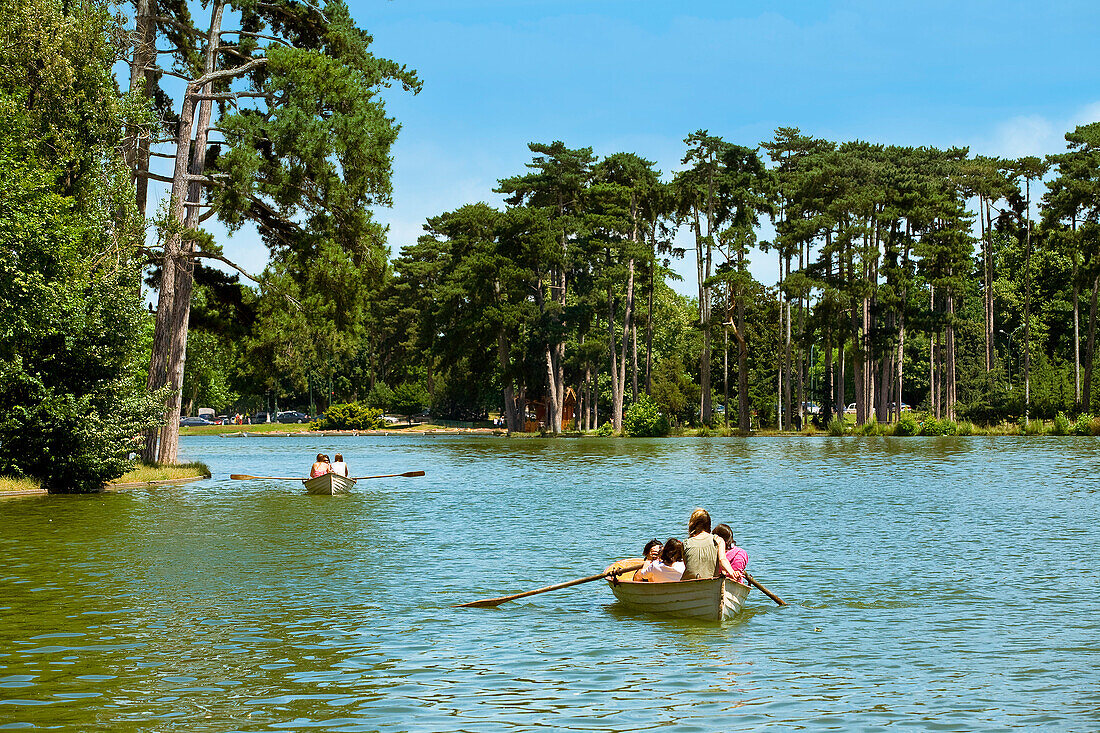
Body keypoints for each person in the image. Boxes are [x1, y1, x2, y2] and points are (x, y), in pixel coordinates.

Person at [681, 508, 739, 580]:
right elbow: (722, 560)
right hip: (710, 583)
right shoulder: (718, 540)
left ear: (693, 525)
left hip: (687, 583)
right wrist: (732, 572)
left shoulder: (686, 543)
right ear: (709, 525)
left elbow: (687, 565)